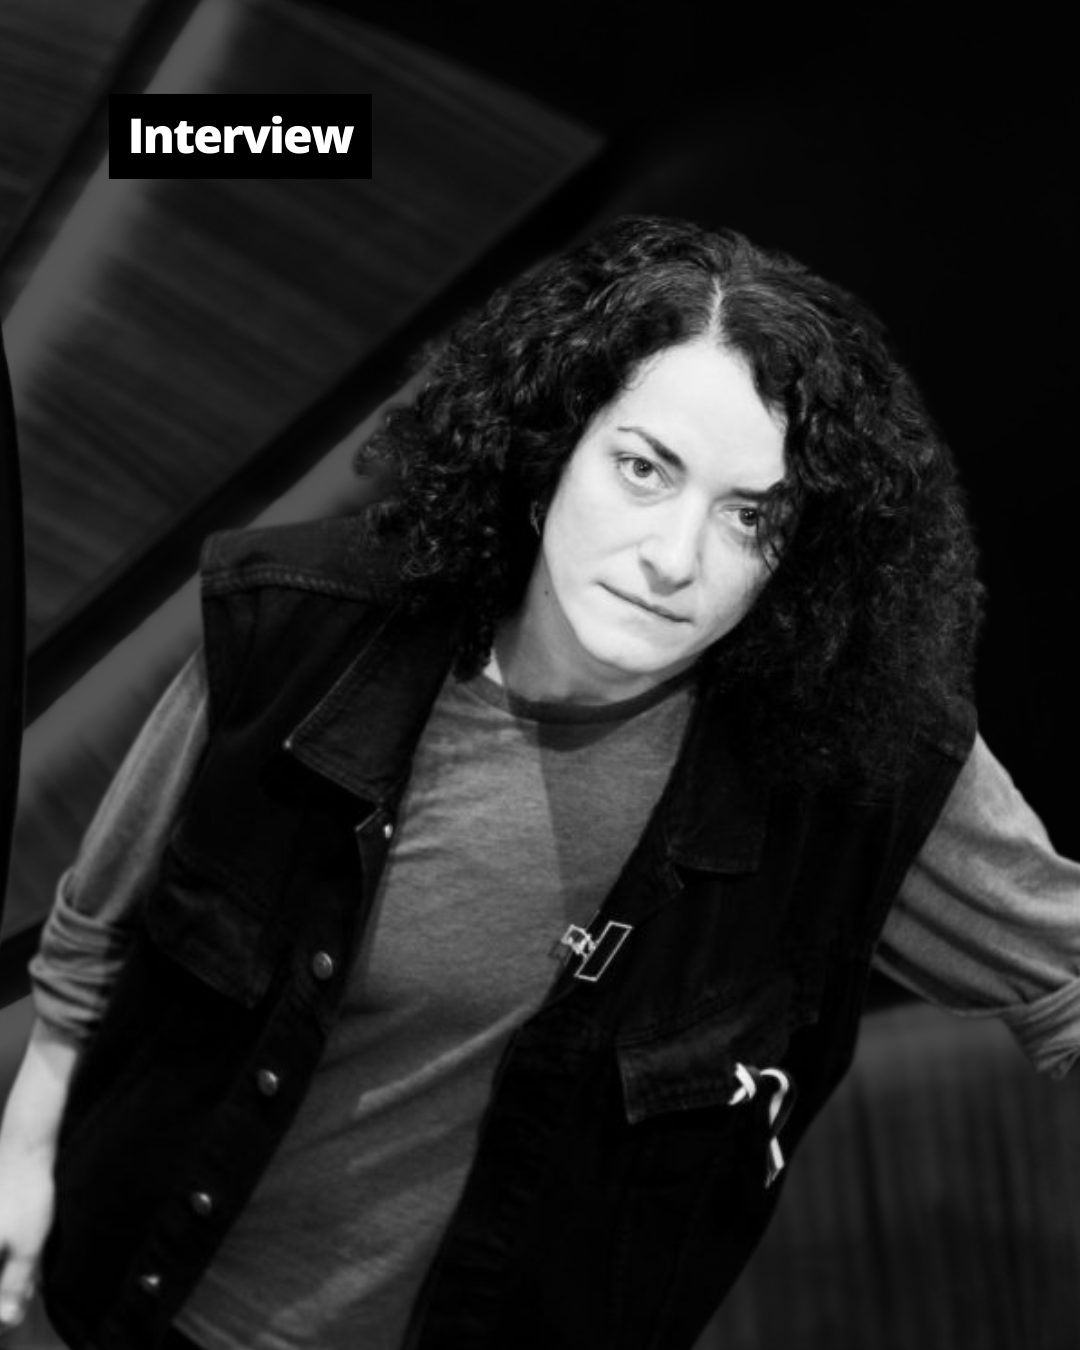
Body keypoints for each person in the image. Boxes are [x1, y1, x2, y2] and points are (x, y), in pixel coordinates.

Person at [1, 215, 1078, 1350]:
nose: (675, 558)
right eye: (642, 470)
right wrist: (24, 1152)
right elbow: (96, 926)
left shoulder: (856, 764)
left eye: (750, 516)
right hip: (150, 1307)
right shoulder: (301, 624)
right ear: (549, 453)